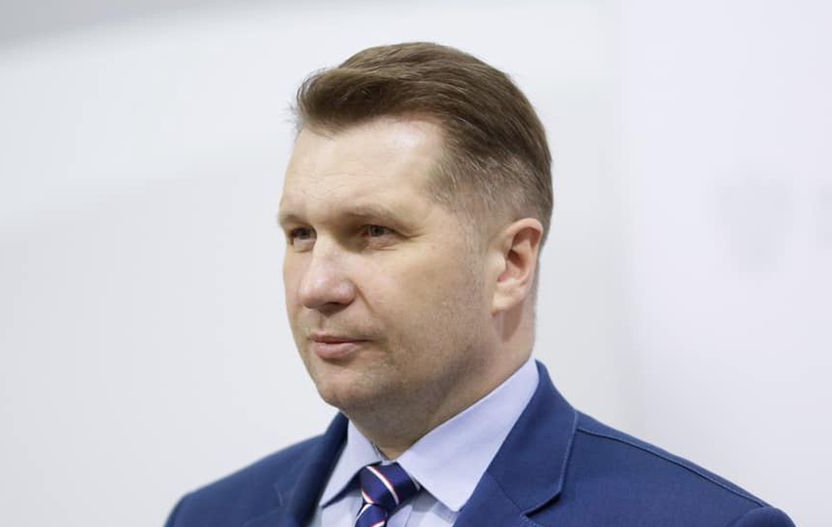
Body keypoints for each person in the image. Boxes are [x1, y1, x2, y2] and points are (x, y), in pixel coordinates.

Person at [165, 42, 794, 527]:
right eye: (301, 234)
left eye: (374, 231)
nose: (316, 286)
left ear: (511, 263)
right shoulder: (207, 517)